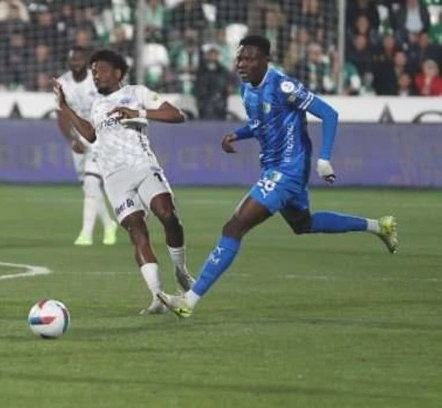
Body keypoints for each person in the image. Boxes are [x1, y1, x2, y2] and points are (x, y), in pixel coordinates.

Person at [157, 35, 398, 318]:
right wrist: (237, 134)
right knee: (303, 224)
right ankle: (378, 226)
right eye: (239, 58)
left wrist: (324, 158)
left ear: (265, 61)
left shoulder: (284, 86)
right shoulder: (247, 89)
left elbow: (329, 114)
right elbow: (262, 123)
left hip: (287, 170)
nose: (241, 64)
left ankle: (189, 300)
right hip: (276, 168)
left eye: (249, 59)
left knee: (234, 227)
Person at [54, 49, 195, 314]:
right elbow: (91, 135)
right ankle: (158, 297)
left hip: (143, 165)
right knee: (136, 229)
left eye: (101, 70)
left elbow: (177, 115)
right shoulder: (97, 105)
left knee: (168, 214)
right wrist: (66, 107)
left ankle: (180, 270)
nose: (96, 75)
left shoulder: (137, 93)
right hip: (114, 178)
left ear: (118, 72)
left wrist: (137, 112)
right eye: (93, 72)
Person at [55, 46, 118, 246]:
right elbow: (61, 115)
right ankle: (109, 225)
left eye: (79, 60)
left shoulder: (98, 80)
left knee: (91, 182)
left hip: (99, 136)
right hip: (79, 138)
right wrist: (72, 140)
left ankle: (86, 234)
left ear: (87, 62)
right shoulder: (62, 83)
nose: (75, 64)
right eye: (72, 60)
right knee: (88, 187)